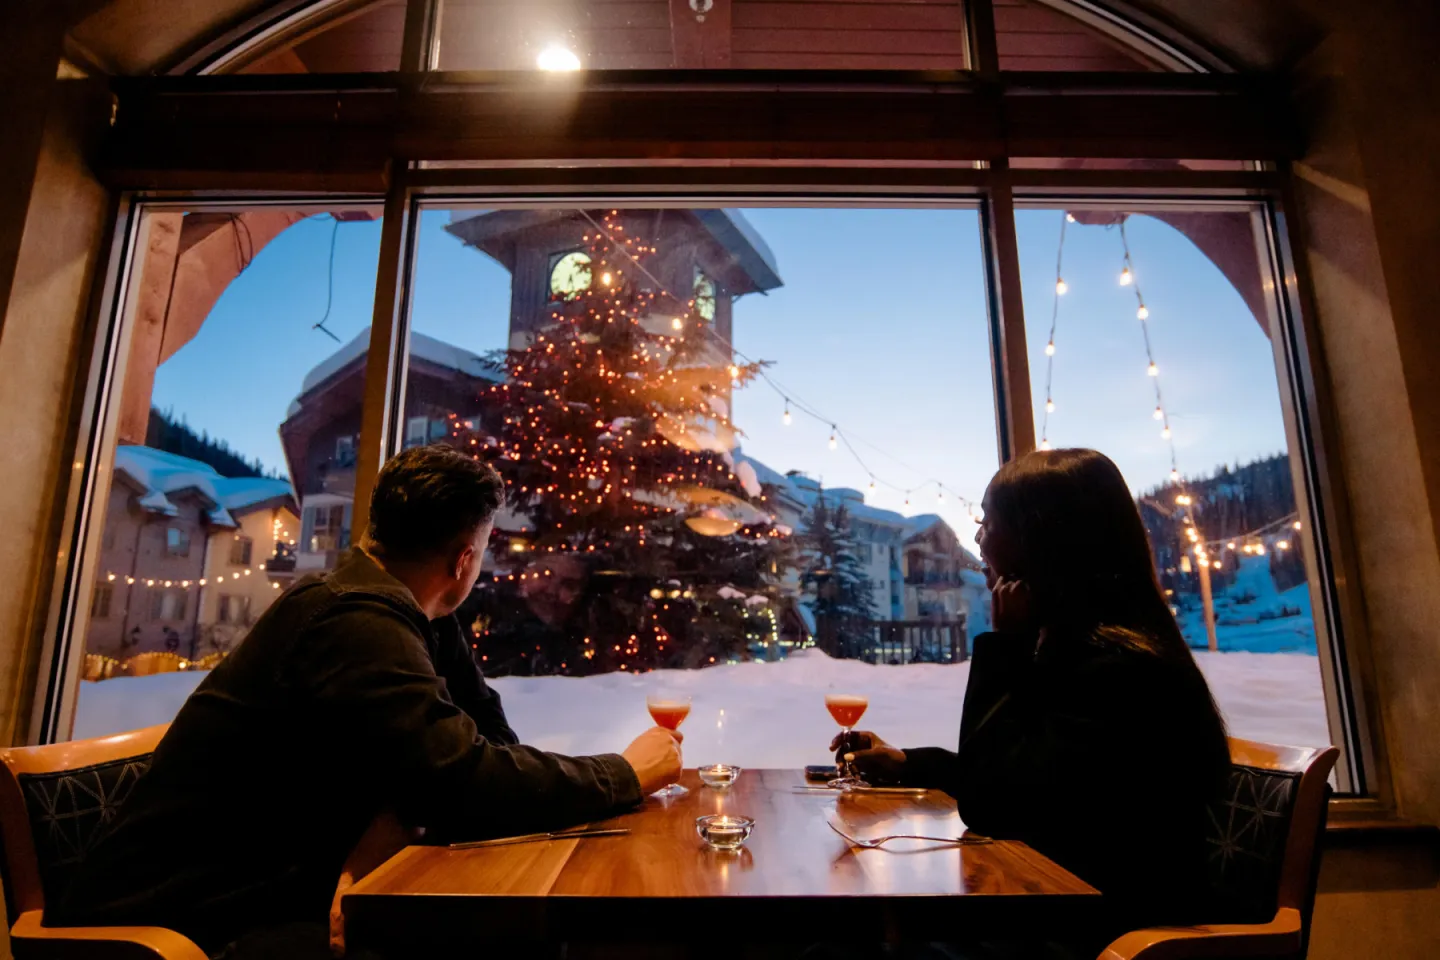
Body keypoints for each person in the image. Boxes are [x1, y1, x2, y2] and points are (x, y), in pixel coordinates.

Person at [55, 445, 683, 958]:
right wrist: (625, 773)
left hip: (264, 896)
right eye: (481, 551)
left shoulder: (404, 614)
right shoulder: (353, 621)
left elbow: (483, 743)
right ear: (464, 558)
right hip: (182, 930)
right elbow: (463, 781)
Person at [834, 448, 1231, 955]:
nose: (977, 537)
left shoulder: (1121, 670)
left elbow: (994, 803)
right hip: (1054, 912)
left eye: (988, 522)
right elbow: (1028, 776)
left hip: (1104, 939)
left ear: (1041, 539)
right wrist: (912, 763)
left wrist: (1008, 648)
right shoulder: (1084, 648)